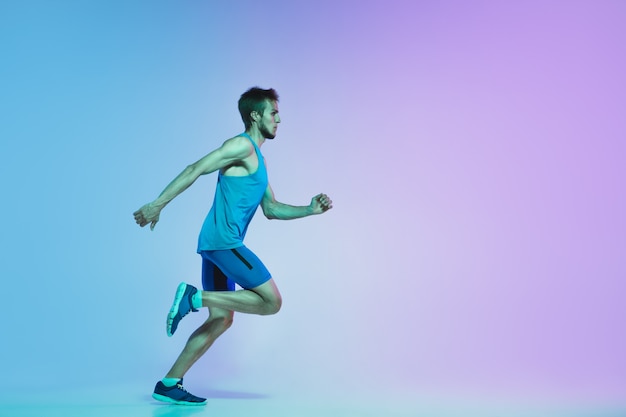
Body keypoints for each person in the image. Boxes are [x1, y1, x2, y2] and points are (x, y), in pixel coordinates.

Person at [133, 87, 333, 406]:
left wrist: (309, 209)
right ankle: (193, 297)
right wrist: (158, 204)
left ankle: (169, 382)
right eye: (273, 112)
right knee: (271, 302)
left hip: (215, 245)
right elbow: (195, 168)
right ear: (255, 115)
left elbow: (272, 209)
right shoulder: (240, 145)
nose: (279, 118)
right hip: (224, 243)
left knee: (221, 318)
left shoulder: (259, 158)